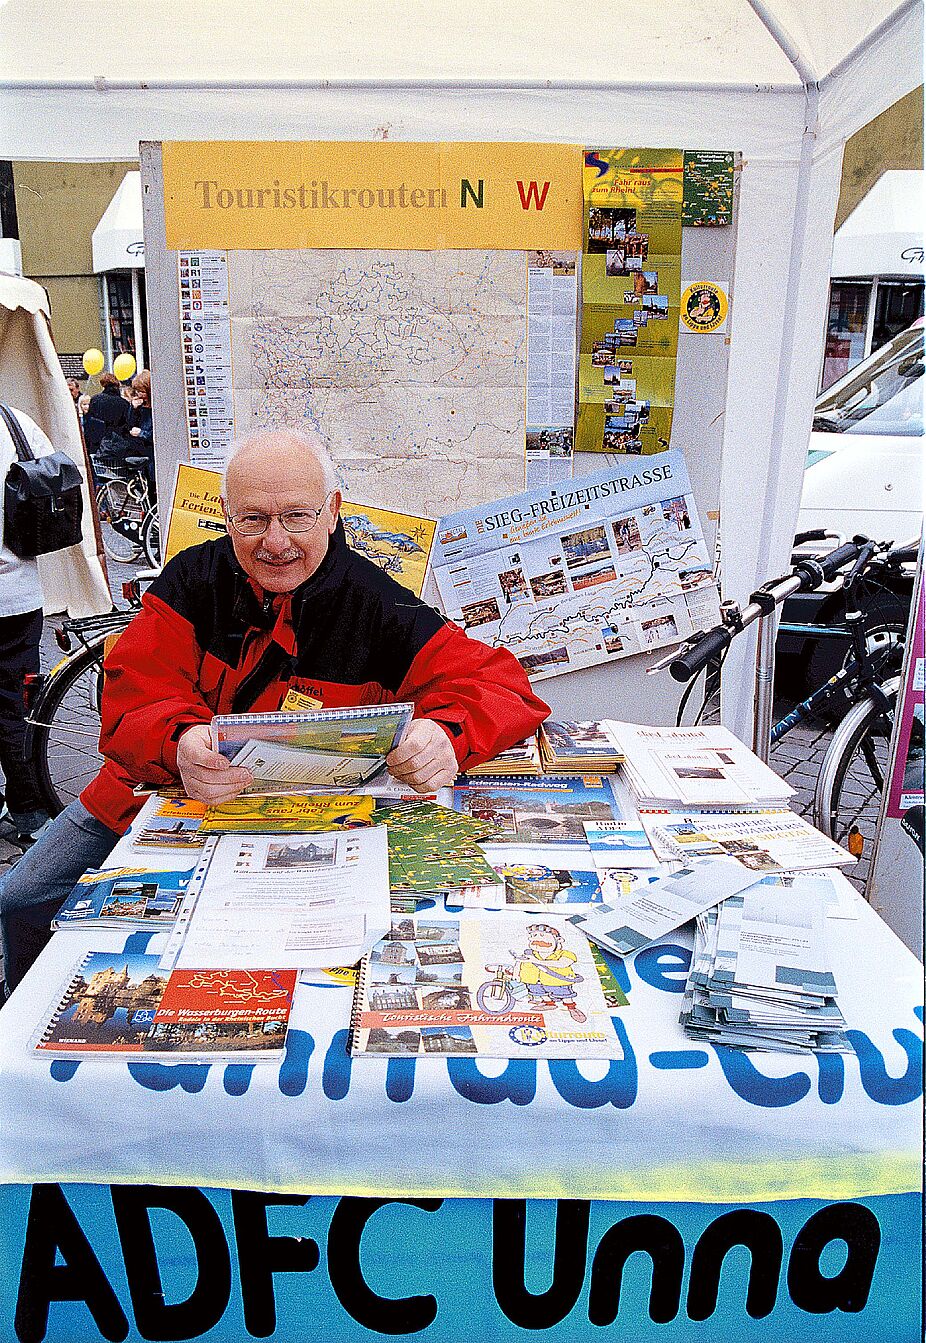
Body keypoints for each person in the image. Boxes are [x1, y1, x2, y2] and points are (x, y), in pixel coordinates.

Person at [0, 428, 549, 992]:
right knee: (19, 898)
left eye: (297, 517)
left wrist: (446, 735)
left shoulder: (376, 603)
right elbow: (132, 696)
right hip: (155, 796)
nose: (277, 542)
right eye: (254, 519)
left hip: (312, 826)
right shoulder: (191, 580)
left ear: (333, 512)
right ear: (225, 515)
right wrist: (179, 742)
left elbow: (505, 687)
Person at [0, 406, 54, 851]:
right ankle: (29, 810)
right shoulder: (14, 421)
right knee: (17, 706)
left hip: (16, 596)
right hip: (17, 594)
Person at [82, 371, 131, 455]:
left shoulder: (96, 400)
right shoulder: (124, 403)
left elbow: (90, 423)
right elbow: (127, 425)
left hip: (98, 443)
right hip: (118, 444)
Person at [128, 369, 155, 495]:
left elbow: (156, 434)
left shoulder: (155, 408)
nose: (139, 394)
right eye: (137, 391)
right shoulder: (140, 407)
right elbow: (129, 424)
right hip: (141, 451)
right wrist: (132, 409)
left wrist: (141, 433)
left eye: (142, 391)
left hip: (151, 453)